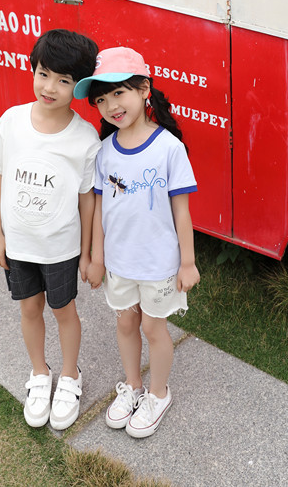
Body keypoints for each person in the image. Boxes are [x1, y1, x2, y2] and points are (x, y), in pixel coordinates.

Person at [74, 46, 200, 438]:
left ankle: (158, 394)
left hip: (160, 264)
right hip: (120, 264)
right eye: (101, 98)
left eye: (119, 92)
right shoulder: (104, 153)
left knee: (152, 328)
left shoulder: (169, 148)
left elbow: (182, 212)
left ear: (144, 88)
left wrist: (188, 263)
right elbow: (98, 210)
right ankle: (133, 386)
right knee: (126, 322)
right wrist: (95, 258)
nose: (111, 104)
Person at [0, 29, 100, 431]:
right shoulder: (11, 121)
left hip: (61, 247)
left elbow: (87, 199)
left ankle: (69, 376)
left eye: (64, 81)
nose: (50, 87)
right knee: (29, 309)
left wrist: (86, 253)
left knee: (63, 310)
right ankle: (39, 372)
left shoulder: (84, 137)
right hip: (18, 244)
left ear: (78, 87)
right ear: (33, 69)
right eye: (44, 73)